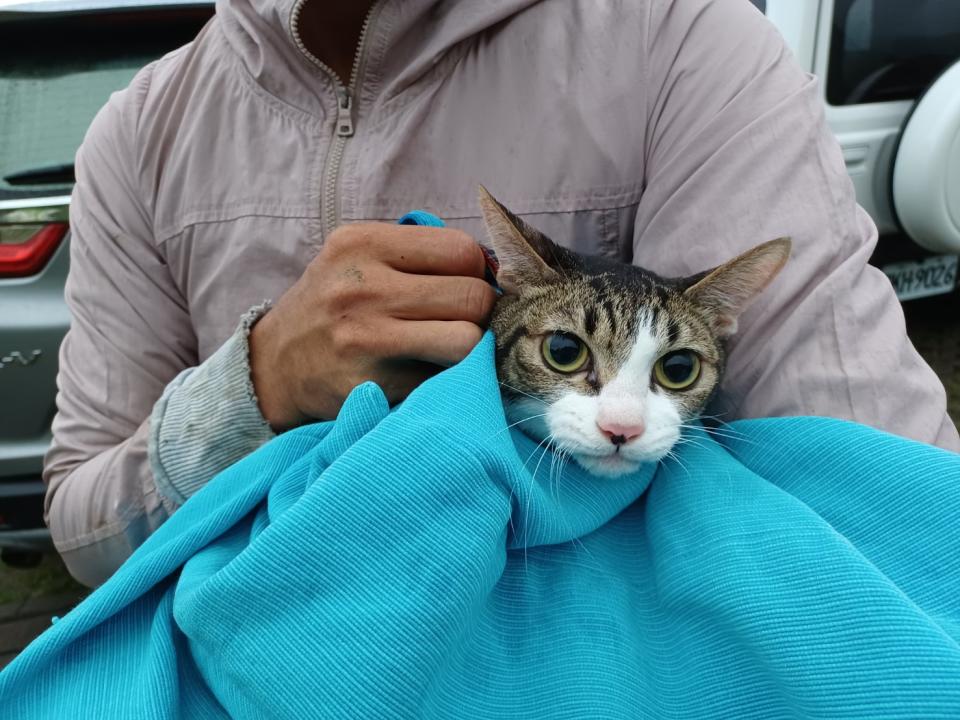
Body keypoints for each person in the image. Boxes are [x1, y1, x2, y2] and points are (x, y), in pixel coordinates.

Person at [44, 0, 959, 588]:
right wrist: (255, 386)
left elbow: (885, 501)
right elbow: (84, 530)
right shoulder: (137, 133)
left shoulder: (682, 37)